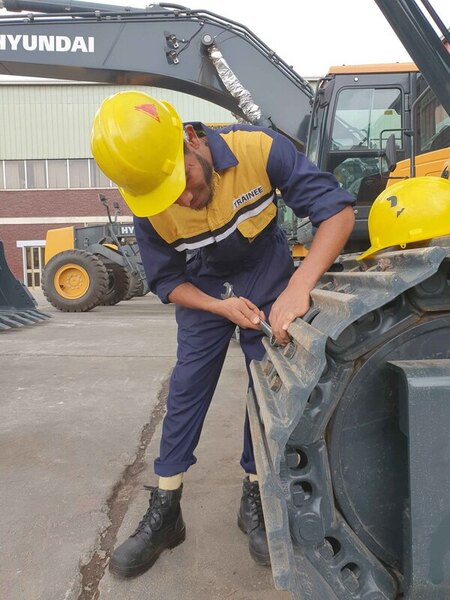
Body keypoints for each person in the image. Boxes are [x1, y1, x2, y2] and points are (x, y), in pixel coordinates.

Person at [91, 90, 355, 578]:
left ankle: (254, 495)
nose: (186, 200)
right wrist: (218, 306)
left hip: (270, 276)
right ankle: (166, 511)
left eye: (186, 181)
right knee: (188, 387)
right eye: (171, 197)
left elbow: (337, 212)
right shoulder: (150, 205)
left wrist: (299, 288)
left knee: (265, 386)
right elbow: (167, 281)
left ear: (192, 139)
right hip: (205, 288)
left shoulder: (259, 148)